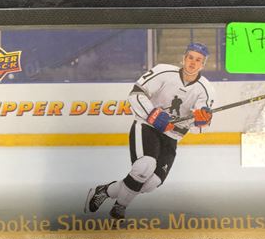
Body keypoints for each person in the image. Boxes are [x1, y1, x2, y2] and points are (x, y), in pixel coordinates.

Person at [85, 42, 215, 219]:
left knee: (150, 183)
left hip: (171, 137)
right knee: (145, 166)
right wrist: (153, 114)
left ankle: (104, 191)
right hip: (148, 127)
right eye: (190, 57)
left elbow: (200, 128)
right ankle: (120, 207)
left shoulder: (206, 89)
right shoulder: (163, 71)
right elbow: (136, 94)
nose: (193, 62)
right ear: (184, 58)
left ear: (203, 64)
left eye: (198, 60)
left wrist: (201, 122)